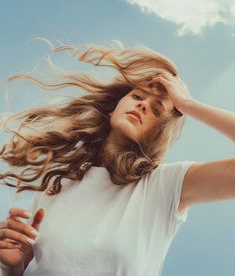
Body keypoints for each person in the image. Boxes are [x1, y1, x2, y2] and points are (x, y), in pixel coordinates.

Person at [0, 41, 235, 276]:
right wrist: (11, 265)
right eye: (137, 96)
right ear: (114, 108)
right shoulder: (56, 188)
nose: (143, 105)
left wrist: (187, 104)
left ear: (160, 133)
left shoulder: (165, 186)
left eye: (156, 109)